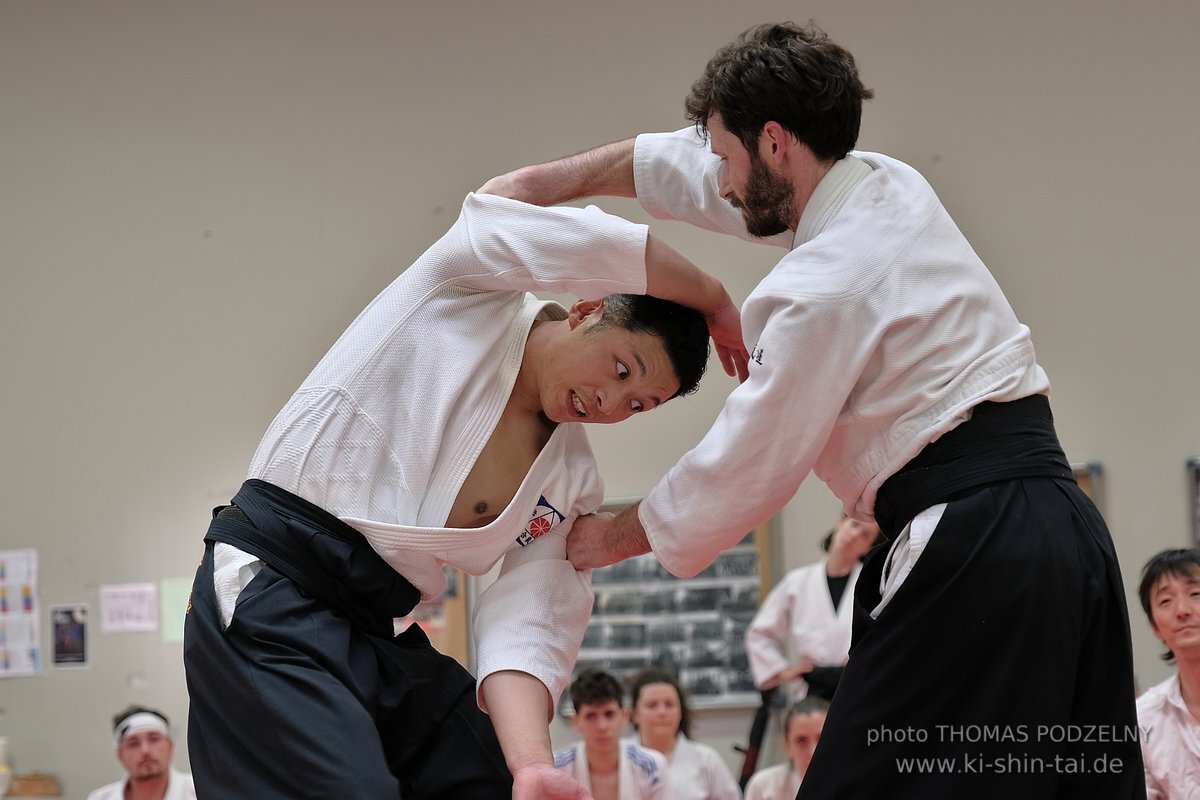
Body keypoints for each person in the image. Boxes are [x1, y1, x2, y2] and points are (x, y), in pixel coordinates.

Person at [480, 21, 1143, 799]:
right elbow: (690, 170)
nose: (720, 182)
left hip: (974, 542)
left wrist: (609, 538)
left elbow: (750, 465)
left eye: (728, 156)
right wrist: (538, 186)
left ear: (774, 142)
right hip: (1064, 532)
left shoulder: (819, 287)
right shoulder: (887, 184)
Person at [182, 190, 746, 800]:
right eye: (620, 369)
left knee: (488, 775)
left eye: (639, 405)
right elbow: (542, 225)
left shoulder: (569, 480)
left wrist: (532, 763)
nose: (612, 404)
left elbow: (527, 622)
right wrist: (712, 296)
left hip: (379, 628)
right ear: (586, 310)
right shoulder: (468, 293)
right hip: (274, 586)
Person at [745, 515, 880, 702]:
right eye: (854, 525)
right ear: (839, 524)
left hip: (855, 683)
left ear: (869, 547)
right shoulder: (798, 582)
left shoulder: (872, 585)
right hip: (810, 688)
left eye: (865, 535)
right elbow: (760, 633)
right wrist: (782, 671)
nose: (855, 534)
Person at [1135, 549, 1200, 798]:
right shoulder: (1143, 719)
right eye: (1165, 601)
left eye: (1195, 593)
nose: (1182, 610)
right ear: (1154, 627)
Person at [554, 667, 670, 800]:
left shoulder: (652, 766)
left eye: (609, 714)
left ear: (625, 716)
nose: (602, 726)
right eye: (591, 716)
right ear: (575, 721)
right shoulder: (556, 769)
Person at [624, 668, 741, 800]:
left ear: (681, 712)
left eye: (669, 704)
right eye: (652, 705)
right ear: (633, 714)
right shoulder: (619, 759)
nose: (662, 712)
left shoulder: (706, 760)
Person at [86, 706, 197, 800]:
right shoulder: (100, 798)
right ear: (120, 754)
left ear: (170, 746)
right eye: (133, 744)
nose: (145, 750)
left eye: (154, 739)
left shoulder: (199, 791)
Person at [742, 697, 828, 800]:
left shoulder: (850, 785)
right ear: (787, 745)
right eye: (801, 741)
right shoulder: (764, 787)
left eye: (822, 740)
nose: (813, 751)